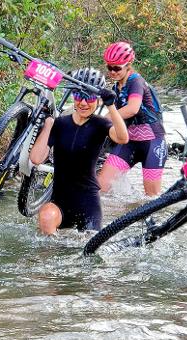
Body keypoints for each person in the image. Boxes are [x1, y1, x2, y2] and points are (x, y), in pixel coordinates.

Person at [30, 68, 128, 234]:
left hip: (88, 203)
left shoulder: (100, 125)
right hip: (60, 203)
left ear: (98, 100)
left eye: (89, 97)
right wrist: (48, 124)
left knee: (87, 250)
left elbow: (122, 138)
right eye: (78, 96)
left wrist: (111, 106)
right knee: (46, 217)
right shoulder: (60, 124)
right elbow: (36, 158)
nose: (83, 103)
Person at [98, 41, 167, 196]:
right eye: (109, 67)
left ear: (128, 65)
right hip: (129, 143)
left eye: (117, 68)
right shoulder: (117, 86)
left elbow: (132, 108)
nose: (112, 72)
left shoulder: (136, 81)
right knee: (100, 188)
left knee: (152, 199)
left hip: (152, 144)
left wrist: (106, 117)